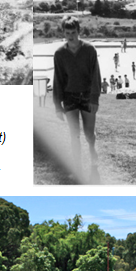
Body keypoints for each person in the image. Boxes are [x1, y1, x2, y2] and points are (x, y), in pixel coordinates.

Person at [52, 15, 102, 180]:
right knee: (74, 134)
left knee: (88, 134)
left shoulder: (89, 50)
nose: (71, 35)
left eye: (73, 32)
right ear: (64, 33)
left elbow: (96, 75)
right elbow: (58, 79)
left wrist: (94, 98)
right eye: (67, 32)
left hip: (87, 97)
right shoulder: (59, 54)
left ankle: (93, 152)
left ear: (79, 32)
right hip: (69, 98)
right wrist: (58, 105)